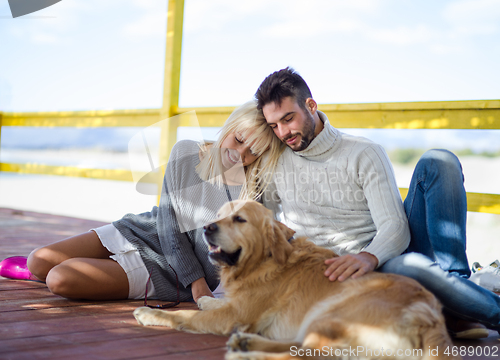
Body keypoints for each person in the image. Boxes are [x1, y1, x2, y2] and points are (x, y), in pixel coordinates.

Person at [256, 67, 500, 338]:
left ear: (311, 106)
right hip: (336, 275)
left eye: (288, 119)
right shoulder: (276, 162)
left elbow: (394, 225)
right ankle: (463, 308)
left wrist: (369, 255)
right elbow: (247, 201)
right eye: (273, 126)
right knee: (408, 267)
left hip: (381, 255)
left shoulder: (363, 152)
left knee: (440, 161)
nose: (282, 132)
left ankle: (457, 294)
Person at [0, 101, 284, 303]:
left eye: (253, 152)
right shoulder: (186, 150)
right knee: (38, 261)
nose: (240, 154)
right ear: (230, 126)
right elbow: (168, 224)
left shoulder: (253, 193)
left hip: (169, 272)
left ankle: (91, 273)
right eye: (238, 139)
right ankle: (43, 271)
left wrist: (197, 286)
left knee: (59, 280)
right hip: (143, 230)